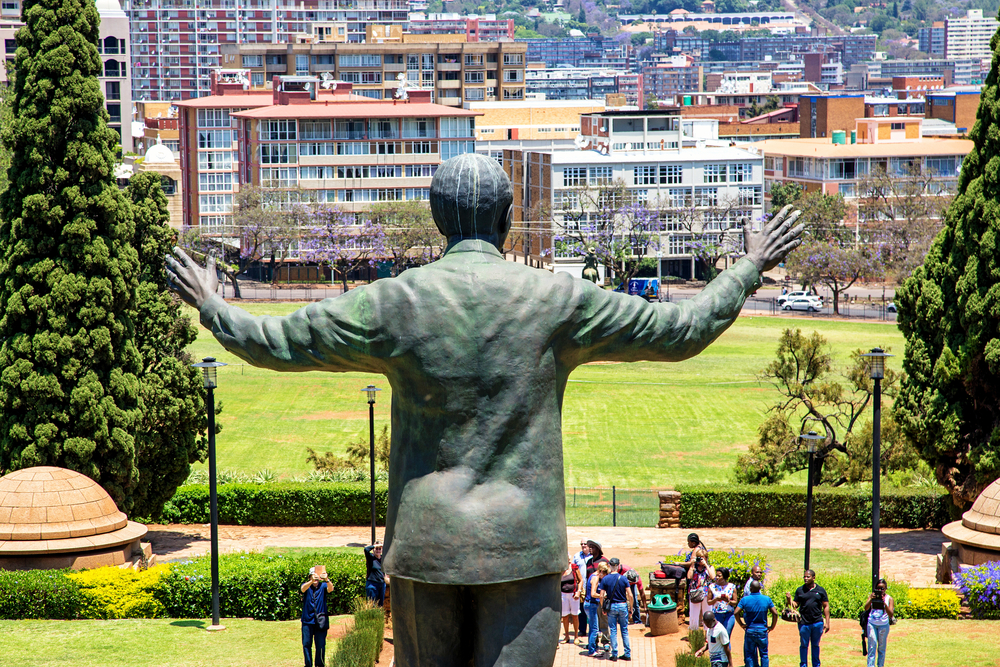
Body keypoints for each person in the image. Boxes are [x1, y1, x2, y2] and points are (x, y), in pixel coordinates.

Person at [166, 154, 803, 667]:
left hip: (426, 543)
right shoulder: (557, 297)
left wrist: (213, 304)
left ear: (438, 220)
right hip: (521, 545)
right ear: (506, 218)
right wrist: (747, 266)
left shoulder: (395, 301)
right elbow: (682, 329)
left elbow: (274, 342)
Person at [785, 569, 830, 667]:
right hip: (803, 623)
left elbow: (826, 606)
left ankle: (816, 665)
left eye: (808, 577)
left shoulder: (820, 590)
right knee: (804, 645)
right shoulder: (800, 590)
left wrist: (827, 622)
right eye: (804, 577)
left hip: (817, 622)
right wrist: (789, 599)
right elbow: (795, 605)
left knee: (815, 645)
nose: (805, 578)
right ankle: (803, 665)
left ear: (813, 578)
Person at [735, 580, 778, 667]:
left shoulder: (745, 600)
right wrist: (772, 626)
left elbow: (736, 612)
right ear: (760, 588)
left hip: (750, 630)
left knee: (749, 654)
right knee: (764, 654)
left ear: (750, 588)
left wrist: (741, 624)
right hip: (762, 630)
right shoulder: (766, 599)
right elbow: (775, 613)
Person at [599, 560, 634, 661]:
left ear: (609, 566)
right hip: (623, 605)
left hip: (612, 607)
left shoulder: (605, 579)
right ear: (618, 566)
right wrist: (631, 608)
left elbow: (601, 595)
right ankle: (627, 653)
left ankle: (614, 654)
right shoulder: (623, 578)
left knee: (613, 630)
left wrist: (603, 607)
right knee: (624, 630)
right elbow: (630, 595)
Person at [300, 566, 333, 667]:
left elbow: (331, 589)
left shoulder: (323, 586)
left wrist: (326, 579)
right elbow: (302, 589)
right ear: (310, 576)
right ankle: (308, 664)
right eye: (313, 576)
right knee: (306, 644)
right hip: (307, 620)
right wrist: (311, 582)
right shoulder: (306, 585)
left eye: (317, 576)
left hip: (320, 621)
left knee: (320, 645)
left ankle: (319, 664)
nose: (315, 579)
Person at [863, 578, 895, 667]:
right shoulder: (872, 596)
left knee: (881, 648)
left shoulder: (889, 599)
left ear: (886, 589)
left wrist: (884, 604)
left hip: (883, 625)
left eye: (882, 588)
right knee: (872, 647)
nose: (880, 590)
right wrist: (870, 599)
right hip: (872, 623)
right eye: (878, 588)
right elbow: (866, 608)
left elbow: (891, 614)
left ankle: (880, 665)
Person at [583, 562, 609, 657]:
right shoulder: (595, 578)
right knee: (595, 629)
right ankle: (592, 651)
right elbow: (593, 593)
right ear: (602, 571)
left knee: (592, 628)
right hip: (592, 605)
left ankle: (592, 647)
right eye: (605, 574)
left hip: (589, 604)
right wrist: (602, 596)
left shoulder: (592, 575)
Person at [687, 553, 715, 630]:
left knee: (707, 613)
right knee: (693, 615)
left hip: (706, 594)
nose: (700, 560)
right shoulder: (694, 567)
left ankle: (708, 633)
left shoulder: (710, 567)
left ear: (706, 558)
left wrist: (705, 565)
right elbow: (689, 576)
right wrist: (692, 565)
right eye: (698, 558)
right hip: (695, 594)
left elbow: (712, 576)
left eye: (702, 558)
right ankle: (693, 633)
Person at [708, 567, 737, 637]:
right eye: (716, 576)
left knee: (726, 636)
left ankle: (727, 648)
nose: (717, 577)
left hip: (729, 615)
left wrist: (728, 601)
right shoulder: (712, 587)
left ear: (725, 576)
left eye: (719, 576)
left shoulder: (732, 587)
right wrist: (716, 599)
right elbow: (709, 602)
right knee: (718, 636)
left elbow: (735, 602)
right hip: (717, 615)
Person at [573, 541, 592, 640]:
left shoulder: (593, 556)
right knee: (581, 607)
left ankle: (595, 630)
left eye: (585, 544)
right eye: (581, 544)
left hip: (591, 585)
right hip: (581, 585)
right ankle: (582, 629)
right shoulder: (577, 556)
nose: (583, 545)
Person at [560, 557, 581, 644]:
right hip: (563, 595)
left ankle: (576, 636)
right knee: (564, 616)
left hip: (574, 595)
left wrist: (578, 592)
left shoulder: (574, 567)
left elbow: (581, 580)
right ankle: (567, 636)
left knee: (575, 615)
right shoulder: (560, 569)